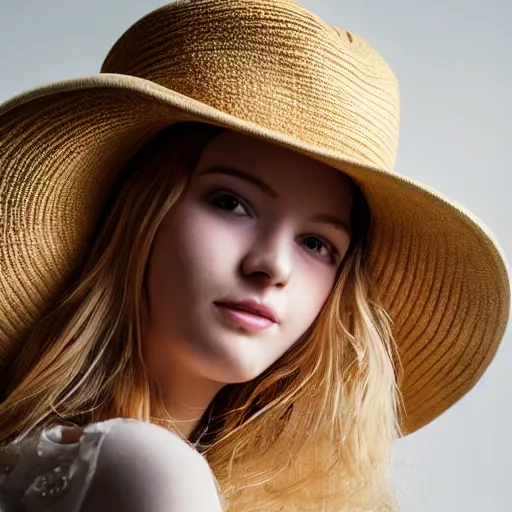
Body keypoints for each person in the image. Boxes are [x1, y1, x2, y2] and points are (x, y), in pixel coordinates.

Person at [0, 0, 509, 511]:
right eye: (230, 202)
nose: (273, 266)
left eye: (317, 243)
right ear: (137, 212)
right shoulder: (147, 469)